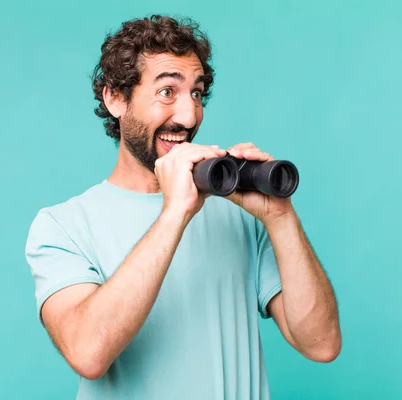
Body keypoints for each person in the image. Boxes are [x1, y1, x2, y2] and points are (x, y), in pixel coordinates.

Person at [24, 14, 341, 399]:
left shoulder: (237, 213)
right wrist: (175, 212)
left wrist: (281, 217)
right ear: (115, 98)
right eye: (167, 92)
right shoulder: (63, 225)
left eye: (196, 93)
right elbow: (88, 353)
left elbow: (321, 344)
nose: (189, 116)